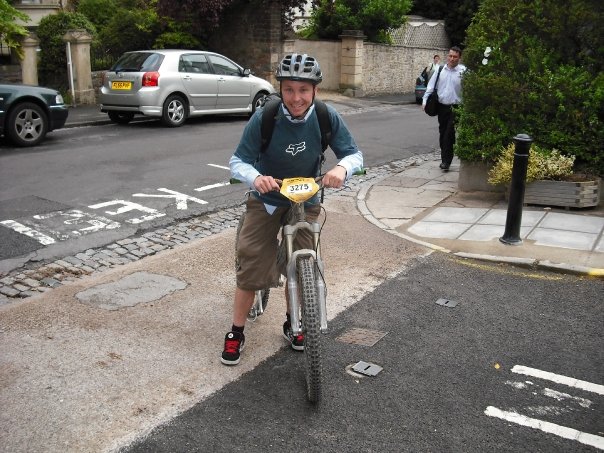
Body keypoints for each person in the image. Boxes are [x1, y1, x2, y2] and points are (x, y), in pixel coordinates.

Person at [221, 53, 364, 366]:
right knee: (252, 262)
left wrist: (341, 168)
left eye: (303, 90)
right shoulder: (266, 116)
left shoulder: (326, 116)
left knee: (302, 266)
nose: (296, 98)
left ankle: (294, 322)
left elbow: (354, 155)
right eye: (289, 90)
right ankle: (236, 331)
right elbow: (238, 161)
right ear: (280, 89)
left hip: (305, 199)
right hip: (268, 199)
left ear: (315, 91)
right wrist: (255, 177)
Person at [422, 46, 466, 171]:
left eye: (455, 57)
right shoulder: (440, 70)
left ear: (459, 58)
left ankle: (447, 161)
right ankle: (444, 159)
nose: (452, 59)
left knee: (449, 133)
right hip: (441, 107)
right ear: (448, 56)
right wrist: (425, 100)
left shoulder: (463, 71)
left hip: (455, 107)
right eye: (450, 56)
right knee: (443, 133)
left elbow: (469, 89)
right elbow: (431, 86)